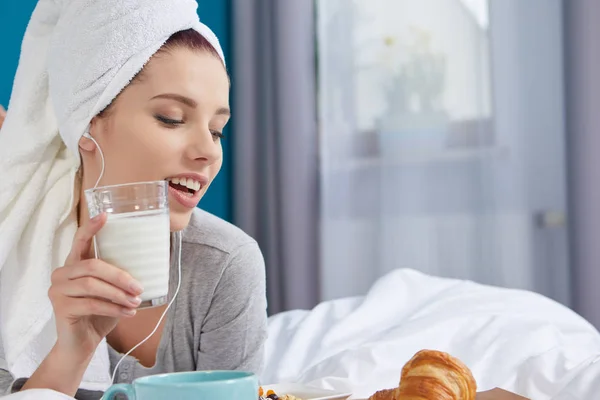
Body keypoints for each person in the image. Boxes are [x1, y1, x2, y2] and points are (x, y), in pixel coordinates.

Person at [0, 1, 267, 399]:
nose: (208, 152)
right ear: (87, 123)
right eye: (172, 118)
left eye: (217, 130)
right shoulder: (11, 258)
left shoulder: (224, 264)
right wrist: (74, 349)